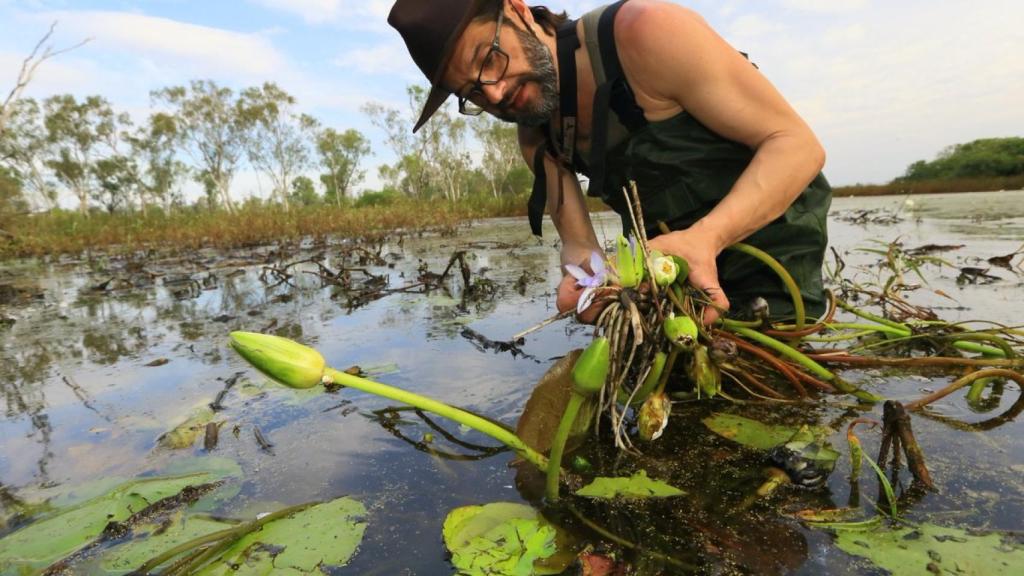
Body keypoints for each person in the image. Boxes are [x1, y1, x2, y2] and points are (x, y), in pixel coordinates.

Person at [388, 0, 831, 325]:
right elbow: (580, 246)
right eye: (472, 93)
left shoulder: (646, 32)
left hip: (774, 246)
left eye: (489, 59)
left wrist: (705, 239)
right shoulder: (536, 132)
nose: (496, 94)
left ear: (518, 10)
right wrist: (584, 281)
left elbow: (796, 145)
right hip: (669, 274)